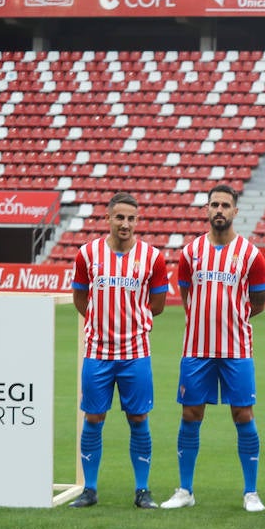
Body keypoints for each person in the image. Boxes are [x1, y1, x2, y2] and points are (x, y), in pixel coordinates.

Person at [161, 184, 265, 511]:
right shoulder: (190, 253)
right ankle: (185, 490)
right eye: (214, 205)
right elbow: (186, 295)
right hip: (196, 349)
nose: (219, 210)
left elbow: (258, 302)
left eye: (225, 205)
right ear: (207, 210)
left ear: (235, 211)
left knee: (243, 414)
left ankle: (251, 491)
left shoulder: (251, 254)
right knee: (191, 413)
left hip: (237, 349)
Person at [68, 192, 171, 509]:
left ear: (137, 221)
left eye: (131, 218)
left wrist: (132, 322)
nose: (125, 224)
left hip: (135, 353)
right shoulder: (88, 254)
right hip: (98, 352)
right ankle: (90, 489)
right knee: (94, 417)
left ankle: (142, 490)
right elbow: (80, 299)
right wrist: (101, 323)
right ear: (108, 218)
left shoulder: (152, 258)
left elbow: (157, 305)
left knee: (138, 418)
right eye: (119, 217)